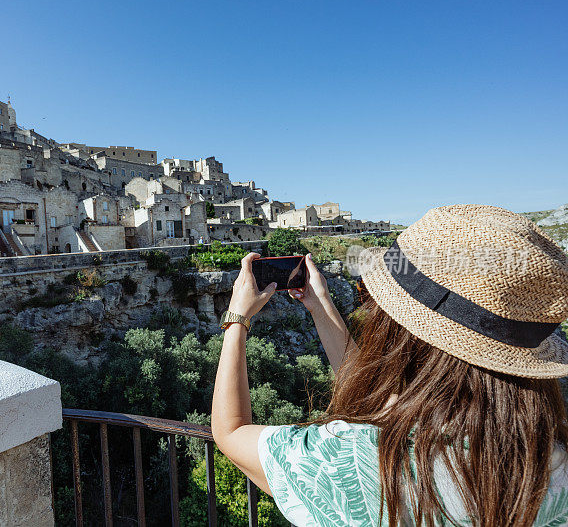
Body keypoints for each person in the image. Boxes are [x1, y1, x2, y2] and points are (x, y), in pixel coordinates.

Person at [211, 205, 568, 526]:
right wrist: (320, 305)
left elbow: (230, 432)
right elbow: (376, 399)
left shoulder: (352, 459)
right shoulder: (552, 467)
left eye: (370, 297)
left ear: (404, 334)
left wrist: (237, 318)